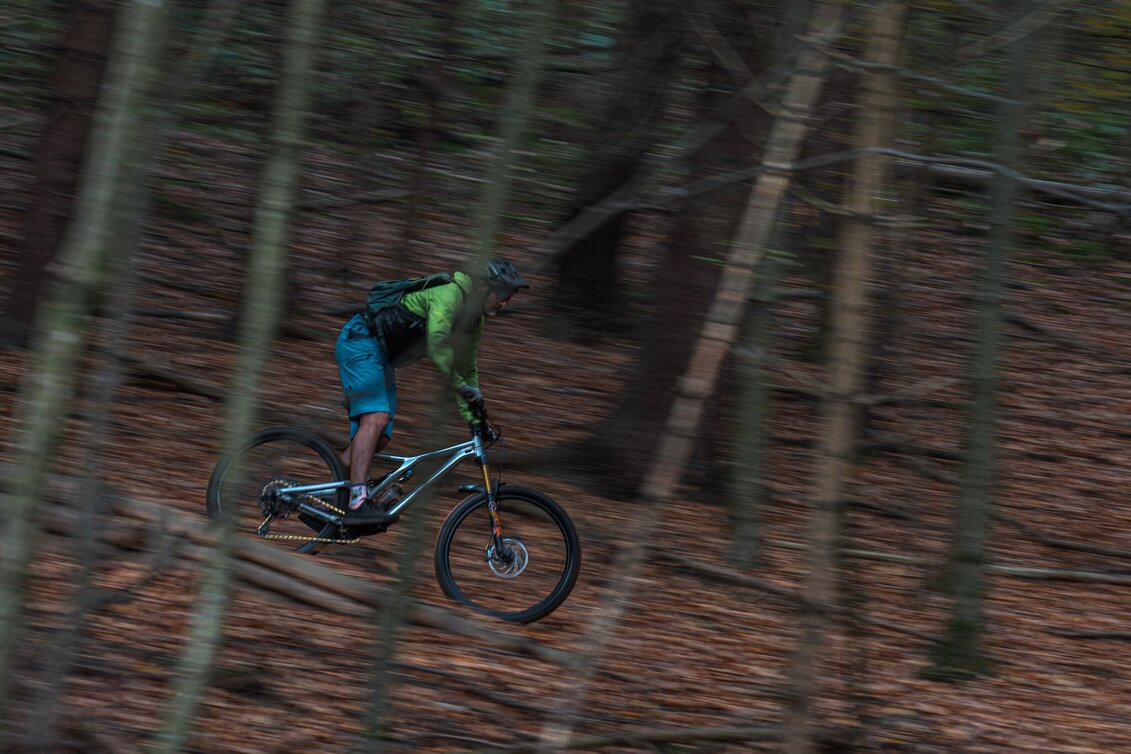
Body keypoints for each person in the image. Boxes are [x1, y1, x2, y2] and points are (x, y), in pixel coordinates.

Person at [334, 258, 529, 525]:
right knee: (376, 419)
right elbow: (438, 344)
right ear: (483, 287)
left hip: (382, 358)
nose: (505, 303)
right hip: (361, 340)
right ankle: (357, 502)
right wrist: (461, 387)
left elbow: (468, 371)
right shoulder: (449, 294)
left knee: (379, 439)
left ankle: (329, 499)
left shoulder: (474, 323)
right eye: (503, 294)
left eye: (510, 297)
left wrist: (476, 418)